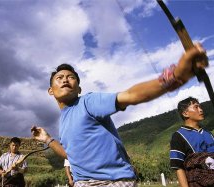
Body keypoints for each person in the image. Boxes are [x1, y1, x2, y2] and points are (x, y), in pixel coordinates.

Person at [31, 43, 208, 186]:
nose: (65, 79)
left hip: (113, 181)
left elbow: (131, 95)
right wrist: (47, 139)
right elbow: (72, 155)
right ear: (50, 91)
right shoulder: (63, 121)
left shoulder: (88, 102)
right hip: (82, 183)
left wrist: (176, 75)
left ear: (79, 88)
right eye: (59, 77)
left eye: (71, 77)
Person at [170, 97, 214, 187]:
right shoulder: (178, 136)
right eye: (196, 107)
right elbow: (178, 167)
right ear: (185, 113)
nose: (201, 110)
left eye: (200, 107)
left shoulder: (208, 133)